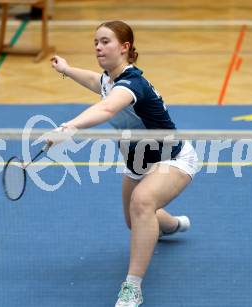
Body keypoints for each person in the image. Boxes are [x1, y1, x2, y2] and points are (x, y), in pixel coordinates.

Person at [49, 20, 198, 307]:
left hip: (173, 158)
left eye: (105, 41)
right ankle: (170, 225)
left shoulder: (133, 85)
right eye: (95, 42)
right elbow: (97, 83)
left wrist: (68, 128)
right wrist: (66, 70)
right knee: (135, 221)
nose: (98, 47)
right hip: (138, 162)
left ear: (125, 47)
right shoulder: (109, 79)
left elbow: (107, 107)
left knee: (142, 203)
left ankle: (132, 287)